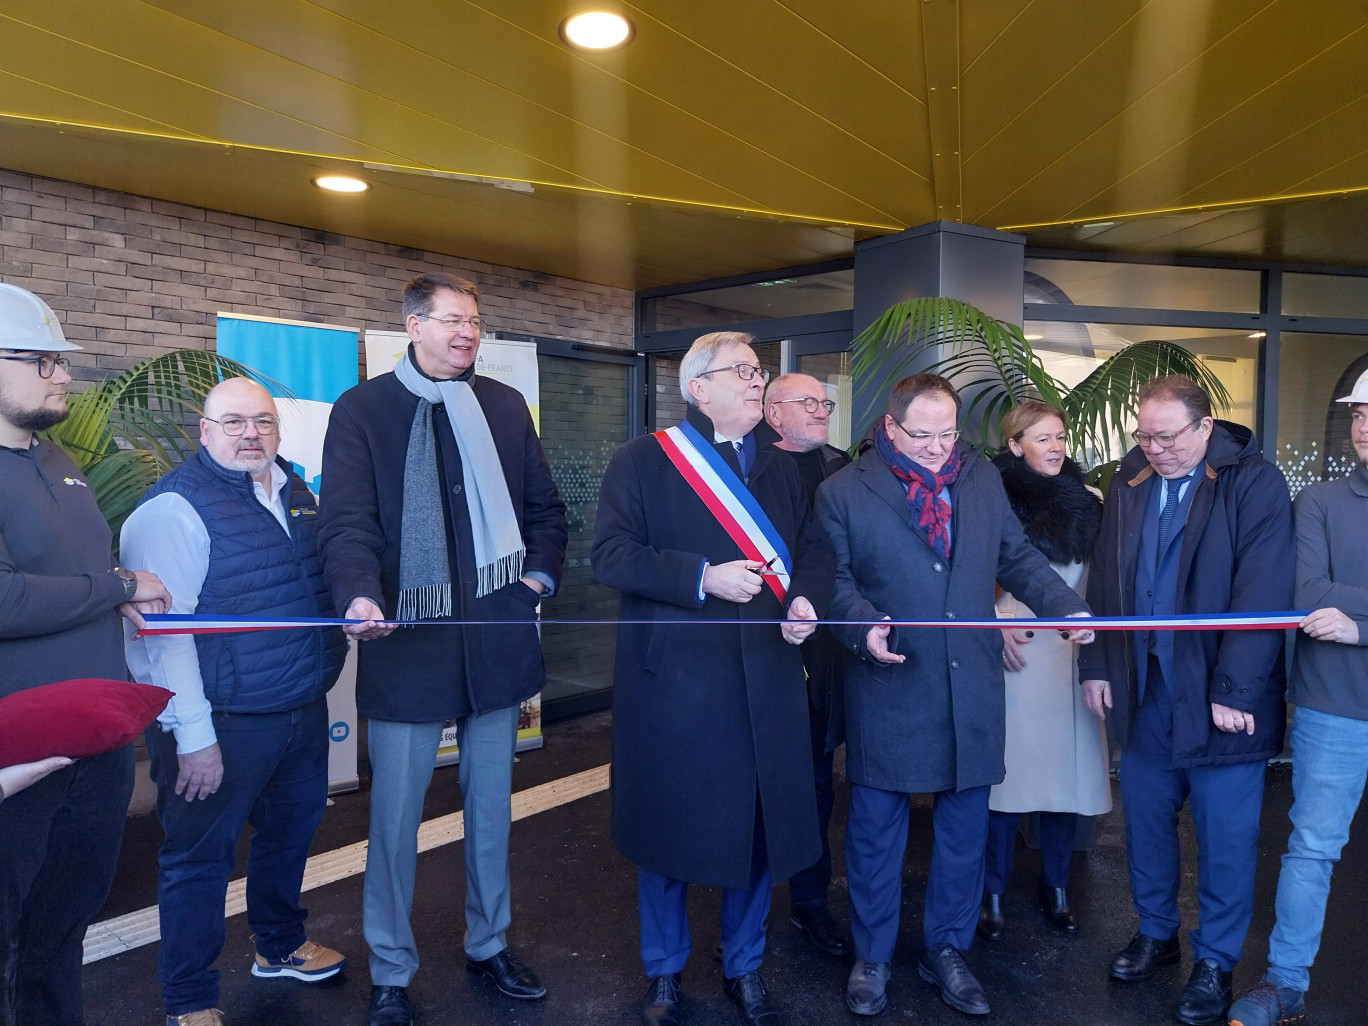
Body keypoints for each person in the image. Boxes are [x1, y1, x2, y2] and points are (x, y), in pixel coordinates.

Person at [319, 272, 567, 1026]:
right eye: (453, 320)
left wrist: (536, 583)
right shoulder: (362, 411)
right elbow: (347, 522)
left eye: (474, 322)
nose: (467, 333)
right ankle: (391, 968)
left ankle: (489, 944)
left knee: (491, 813)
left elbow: (545, 510)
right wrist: (359, 592)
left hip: (497, 646)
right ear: (412, 325)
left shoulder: (503, 405)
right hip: (408, 647)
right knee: (393, 823)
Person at [815, 374, 1093, 1019]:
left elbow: (1017, 558)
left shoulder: (980, 478)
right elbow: (833, 581)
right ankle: (873, 955)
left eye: (948, 434)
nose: (940, 448)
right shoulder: (843, 491)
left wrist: (1064, 606)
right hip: (891, 678)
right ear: (890, 428)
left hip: (970, 681)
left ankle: (947, 949)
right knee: (876, 832)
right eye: (923, 435)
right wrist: (862, 625)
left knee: (964, 829)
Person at [593, 333, 834, 1026]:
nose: (759, 382)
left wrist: (805, 600)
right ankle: (664, 972)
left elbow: (816, 550)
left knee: (759, 830)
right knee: (667, 829)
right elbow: (610, 556)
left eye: (760, 371)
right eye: (744, 372)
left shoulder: (786, 469)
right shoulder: (644, 460)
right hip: (676, 684)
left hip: (765, 678)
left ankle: (744, 965)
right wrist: (700, 576)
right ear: (698, 387)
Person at [121, 377, 349, 1026]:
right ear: (204, 431)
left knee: (290, 836)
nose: (251, 433)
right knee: (199, 860)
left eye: (263, 421)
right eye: (233, 422)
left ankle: (277, 948)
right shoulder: (173, 509)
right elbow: (163, 640)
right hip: (217, 721)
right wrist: (193, 735)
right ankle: (188, 999)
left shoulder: (295, 491)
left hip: (299, 710)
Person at [1079, 375, 1294, 1026]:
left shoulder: (1253, 482)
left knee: (1226, 838)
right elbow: (1104, 578)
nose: (1154, 448)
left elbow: (1265, 587)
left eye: (1167, 437)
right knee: (1145, 822)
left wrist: (1236, 688)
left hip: (1223, 695)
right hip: (1146, 686)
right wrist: (1096, 663)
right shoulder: (1131, 476)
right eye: (1143, 435)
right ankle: (1156, 932)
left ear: (1206, 428)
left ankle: (1216, 961)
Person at [0, 282, 171, 1026]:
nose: (62, 375)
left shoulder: (60, 459)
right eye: (41, 361)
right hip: (16, 761)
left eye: (59, 361)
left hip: (96, 754)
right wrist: (117, 584)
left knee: (58, 941)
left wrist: (115, 592)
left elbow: (81, 577)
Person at [1225, 368, 1368, 1026]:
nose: (1364, 426)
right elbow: (1309, 593)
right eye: (1359, 415)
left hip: (1342, 683)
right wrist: (1335, 614)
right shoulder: (1318, 501)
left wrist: (1361, 625)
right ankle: (1286, 982)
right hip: (1332, 707)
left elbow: (1340, 611)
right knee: (1311, 846)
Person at [978, 401, 1110, 941]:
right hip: (1016, 650)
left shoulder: (1093, 502)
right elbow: (966, 576)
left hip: (1074, 652)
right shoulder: (989, 498)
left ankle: (1056, 886)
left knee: (1066, 782)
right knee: (1006, 784)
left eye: (1060, 437)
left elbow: (1104, 578)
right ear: (1014, 445)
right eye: (1041, 438)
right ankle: (990, 892)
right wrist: (989, 624)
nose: (1055, 447)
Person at [762, 372, 853, 959]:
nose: (823, 410)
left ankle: (811, 905)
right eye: (809, 403)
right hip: (757, 649)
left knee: (818, 785)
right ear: (773, 412)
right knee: (753, 787)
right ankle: (744, 916)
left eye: (825, 402)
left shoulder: (845, 467)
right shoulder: (741, 468)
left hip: (823, 651)